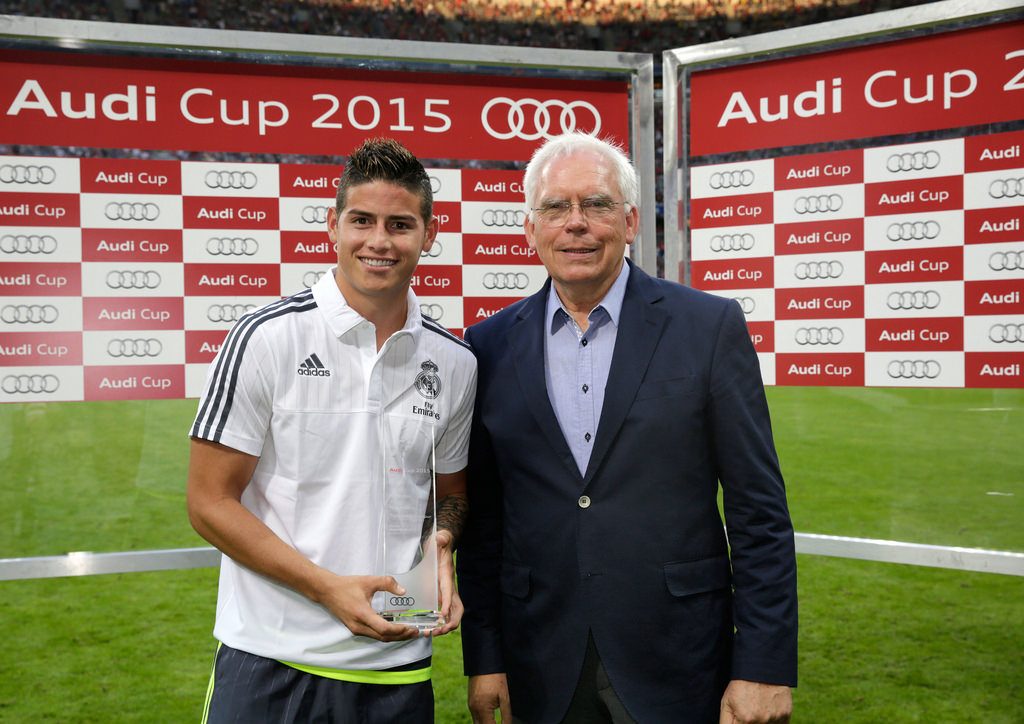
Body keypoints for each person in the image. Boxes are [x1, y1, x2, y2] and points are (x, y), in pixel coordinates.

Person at [457, 132, 797, 724]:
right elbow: (487, 524)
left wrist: (763, 665)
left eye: (597, 204)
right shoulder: (488, 345)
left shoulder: (708, 326)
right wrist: (485, 657)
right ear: (530, 227)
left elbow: (758, 512)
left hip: (678, 658)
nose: (577, 224)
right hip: (540, 663)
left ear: (632, 219)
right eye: (556, 207)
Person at [187, 138, 477, 723]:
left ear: (429, 233)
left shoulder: (455, 363)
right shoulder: (265, 337)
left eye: (399, 224)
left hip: (398, 663)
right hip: (272, 660)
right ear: (331, 225)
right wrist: (325, 587)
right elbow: (208, 501)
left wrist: (441, 548)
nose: (379, 241)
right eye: (361, 220)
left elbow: (450, 496)